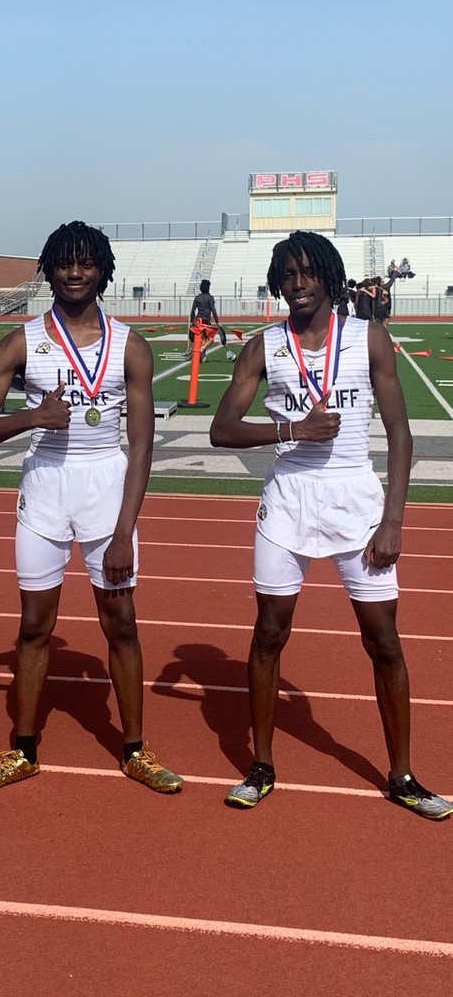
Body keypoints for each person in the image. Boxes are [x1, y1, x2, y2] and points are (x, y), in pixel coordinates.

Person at [210, 230, 452, 820]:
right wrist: (289, 432)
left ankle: (402, 775)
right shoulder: (264, 348)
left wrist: (394, 519)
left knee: (385, 643)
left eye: (308, 272)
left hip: (356, 503)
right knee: (269, 634)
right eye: (288, 275)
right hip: (287, 501)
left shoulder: (368, 337)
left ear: (330, 277)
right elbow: (222, 428)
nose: (298, 284)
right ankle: (262, 765)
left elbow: (401, 434)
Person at [0, 221, 183, 795]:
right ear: (50, 270)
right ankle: (24, 749)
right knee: (35, 626)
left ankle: (134, 749)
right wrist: (31, 417)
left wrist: (125, 527)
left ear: (104, 270)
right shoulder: (21, 341)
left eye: (86, 263)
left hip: (107, 489)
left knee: (122, 623)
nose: (75, 272)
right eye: (64, 263)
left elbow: (141, 444)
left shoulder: (130, 344)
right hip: (45, 490)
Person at [188, 279, 235, 361]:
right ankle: (201, 350)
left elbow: (192, 311)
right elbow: (213, 310)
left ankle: (202, 356)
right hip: (206, 321)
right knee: (210, 339)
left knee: (203, 339)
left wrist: (192, 322)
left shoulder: (197, 298)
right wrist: (217, 322)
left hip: (198, 321)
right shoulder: (210, 298)